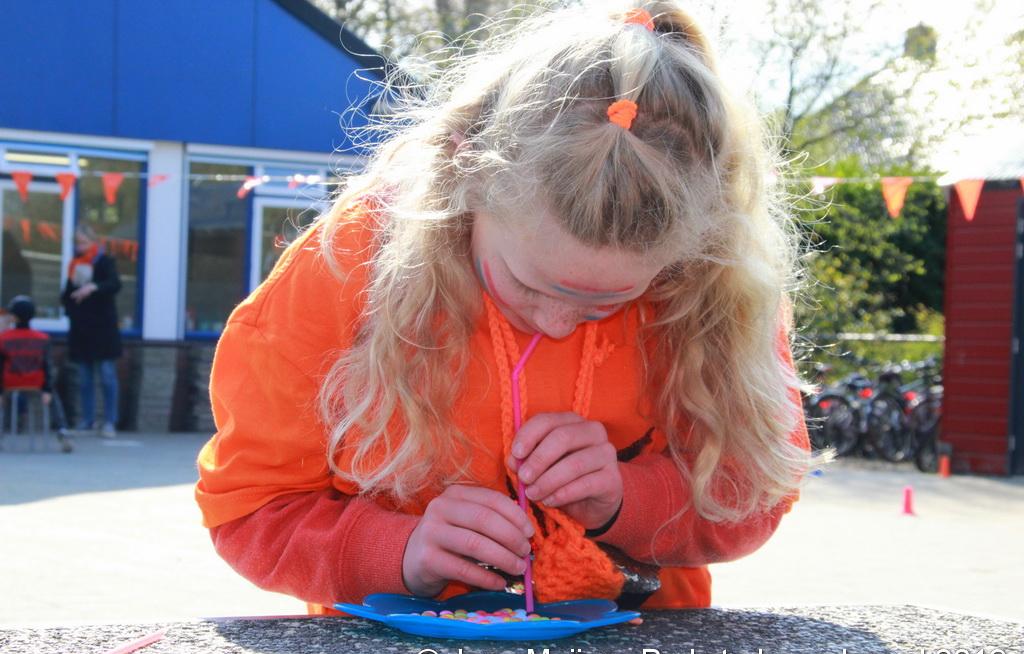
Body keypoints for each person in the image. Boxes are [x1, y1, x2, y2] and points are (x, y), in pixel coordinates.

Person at [195, 1, 826, 616]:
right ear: (465, 169)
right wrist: (398, 551)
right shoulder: (348, 266)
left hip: (640, 650)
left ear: (697, 242)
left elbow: (756, 493)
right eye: (528, 285)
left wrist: (624, 499)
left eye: (607, 303)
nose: (556, 324)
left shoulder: (717, 285)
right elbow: (250, 507)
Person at [61, 224, 122, 439]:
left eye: (84, 242)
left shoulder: (105, 261)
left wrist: (92, 287)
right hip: (82, 330)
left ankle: (110, 421)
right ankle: (87, 420)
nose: (80, 247)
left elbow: (114, 284)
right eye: (77, 243)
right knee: (85, 379)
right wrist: (72, 299)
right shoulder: (75, 265)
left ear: (93, 242)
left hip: (104, 329)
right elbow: (66, 296)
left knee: (107, 376)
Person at [0, 296, 74, 452]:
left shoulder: (3, 338)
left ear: (14, 317)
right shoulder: (43, 338)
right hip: (36, 382)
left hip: (10, 383)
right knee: (53, 396)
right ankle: (62, 432)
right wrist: (47, 389)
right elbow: (47, 366)